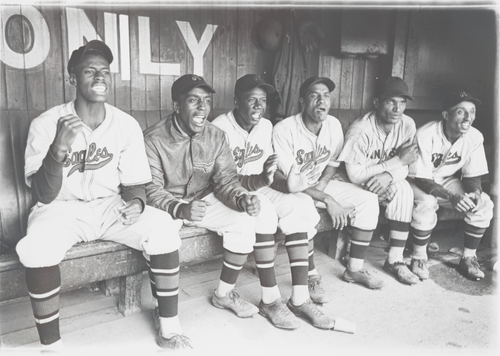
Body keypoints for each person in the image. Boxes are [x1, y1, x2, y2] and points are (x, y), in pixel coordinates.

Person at [15, 40, 191, 350]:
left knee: (163, 228)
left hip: (111, 207)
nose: (99, 77)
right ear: (72, 78)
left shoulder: (125, 124)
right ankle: (50, 346)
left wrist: (137, 203)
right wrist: (57, 150)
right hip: (60, 208)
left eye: (105, 71)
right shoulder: (45, 124)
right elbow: (43, 193)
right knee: (35, 248)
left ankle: (169, 327)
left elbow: (136, 183)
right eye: (89, 70)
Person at [212, 74, 334, 330]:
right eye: (251, 100)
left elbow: (268, 173)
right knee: (265, 212)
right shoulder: (220, 127)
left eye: (263, 100)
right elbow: (221, 180)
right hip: (229, 191)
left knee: (300, 204)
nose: (258, 106)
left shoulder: (265, 126)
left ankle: (299, 299)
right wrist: (262, 184)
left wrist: (286, 185)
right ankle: (270, 299)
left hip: (258, 187)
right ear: (236, 101)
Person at [143, 74, 265, 326]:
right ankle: (161, 307)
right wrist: (180, 208)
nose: (202, 108)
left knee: (243, 222)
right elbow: (151, 189)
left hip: (201, 200)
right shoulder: (153, 138)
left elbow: (226, 181)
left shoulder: (216, 135)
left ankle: (223, 294)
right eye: (193, 100)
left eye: (207, 101)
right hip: (167, 205)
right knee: (160, 235)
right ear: (177, 106)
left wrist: (242, 199)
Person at [273, 76, 385, 290]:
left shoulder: (333, 125)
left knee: (368, 200)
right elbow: (292, 181)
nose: (321, 101)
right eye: (314, 96)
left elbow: (334, 161)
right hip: (292, 189)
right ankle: (310, 276)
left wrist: (323, 188)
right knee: (303, 208)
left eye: (325, 96)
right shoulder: (284, 130)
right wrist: (326, 199)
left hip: (319, 184)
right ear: (302, 102)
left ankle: (354, 269)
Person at [338, 77, 421, 285]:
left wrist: (389, 176)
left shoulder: (408, 124)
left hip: (383, 179)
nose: (397, 108)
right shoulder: (361, 129)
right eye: (390, 101)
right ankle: (354, 258)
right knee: (368, 196)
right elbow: (355, 175)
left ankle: (395, 260)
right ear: (376, 102)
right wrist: (396, 162)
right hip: (351, 181)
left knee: (404, 190)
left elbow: (409, 166)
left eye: (402, 102)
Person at [408, 91, 494, 280]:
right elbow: (422, 178)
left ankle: (468, 258)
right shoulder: (426, 134)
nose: (468, 118)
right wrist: (451, 197)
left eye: (472, 112)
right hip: (416, 180)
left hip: (445, 180)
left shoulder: (474, 136)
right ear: (446, 115)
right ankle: (419, 257)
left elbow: (472, 175)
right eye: (461, 112)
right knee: (428, 203)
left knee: (484, 203)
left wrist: (476, 193)